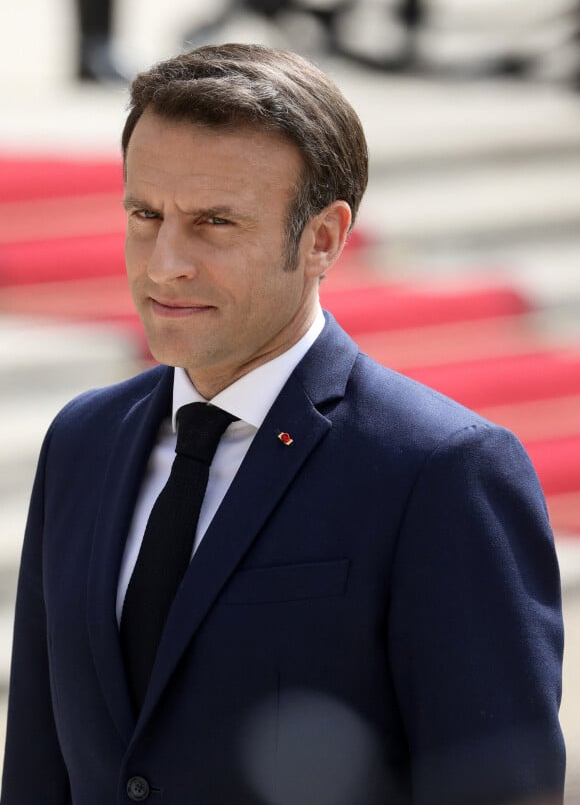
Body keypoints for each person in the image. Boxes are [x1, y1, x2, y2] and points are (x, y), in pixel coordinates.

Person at [1, 43, 565, 805]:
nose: (165, 263)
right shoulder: (82, 442)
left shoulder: (440, 469)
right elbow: (40, 767)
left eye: (215, 223)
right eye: (146, 214)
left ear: (324, 239)